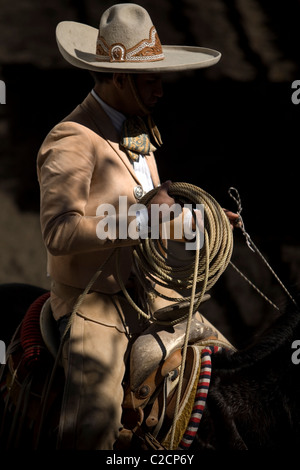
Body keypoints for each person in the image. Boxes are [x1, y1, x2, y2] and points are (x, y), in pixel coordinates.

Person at [37, 3, 239, 450]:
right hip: (95, 303)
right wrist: (147, 222)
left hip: (149, 293)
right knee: (94, 423)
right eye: (151, 79)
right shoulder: (72, 138)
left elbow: (150, 206)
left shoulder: (137, 130)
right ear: (120, 77)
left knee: (236, 366)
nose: (161, 90)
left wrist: (201, 219)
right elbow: (59, 232)